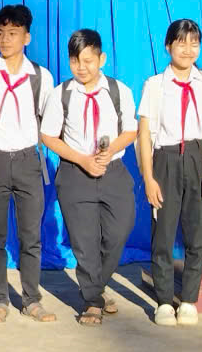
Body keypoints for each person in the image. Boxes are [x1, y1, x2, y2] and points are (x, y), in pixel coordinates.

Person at [40, 29, 138, 327]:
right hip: (75, 173)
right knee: (84, 242)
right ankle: (93, 300)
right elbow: (48, 136)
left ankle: (97, 284)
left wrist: (110, 152)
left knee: (119, 231)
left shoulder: (119, 91)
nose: (81, 67)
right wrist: (82, 159)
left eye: (88, 61)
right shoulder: (61, 93)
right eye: (74, 61)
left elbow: (130, 131)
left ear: (101, 58)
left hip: (113, 171)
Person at [0, 4, 57, 325]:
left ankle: (31, 300)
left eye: (13, 33)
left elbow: (50, 121)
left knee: (31, 235)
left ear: (27, 37)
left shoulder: (41, 77)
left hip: (27, 160)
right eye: (0, 33)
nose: (5, 40)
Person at [136, 19, 202, 326]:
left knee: (197, 234)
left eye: (194, 43)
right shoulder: (155, 85)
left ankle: (188, 300)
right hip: (166, 158)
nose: (188, 49)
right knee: (163, 234)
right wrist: (148, 178)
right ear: (168, 46)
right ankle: (163, 301)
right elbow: (144, 134)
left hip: (198, 158)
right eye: (181, 42)